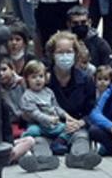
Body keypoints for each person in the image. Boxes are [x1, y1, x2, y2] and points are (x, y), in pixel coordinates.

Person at [44, 31, 103, 170]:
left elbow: (92, 109)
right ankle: (43, 160)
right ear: (52, 54)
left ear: (75, 54)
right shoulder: (43, 79)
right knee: (39, 141)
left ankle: (79, 159)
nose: (65, 56)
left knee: (82, 138)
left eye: (69, 52)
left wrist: (81, 122)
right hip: (50, 126)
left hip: (76, 127)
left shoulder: (86, 79)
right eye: (60, 52)